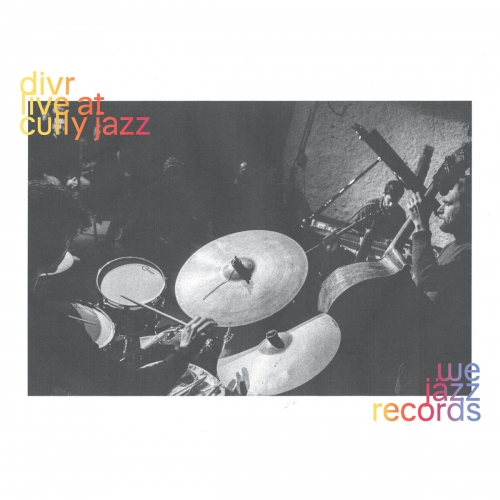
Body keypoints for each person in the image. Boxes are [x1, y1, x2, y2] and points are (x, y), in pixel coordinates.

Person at [28, 180, 216, 395]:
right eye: (69, 239)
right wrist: (184, 351)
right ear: (51, 240)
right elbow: (130, 390)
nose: (69, 248)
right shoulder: (52, 329)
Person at [399, 175, 471, 394]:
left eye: (447, 203)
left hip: (440, 370)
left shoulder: (472, 253)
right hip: (424, 358)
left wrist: (421, 225)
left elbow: (426, 279)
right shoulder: (454, 246)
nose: (439, 210)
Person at [355, 180, 406, 262]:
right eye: (388, 201)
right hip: (362, 247)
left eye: (395, 202)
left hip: (383, 254)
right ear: (383, 194)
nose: (391, 205)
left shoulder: (401, 214)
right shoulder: (370, 205)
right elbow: (356, 227)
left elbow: (399, 239)